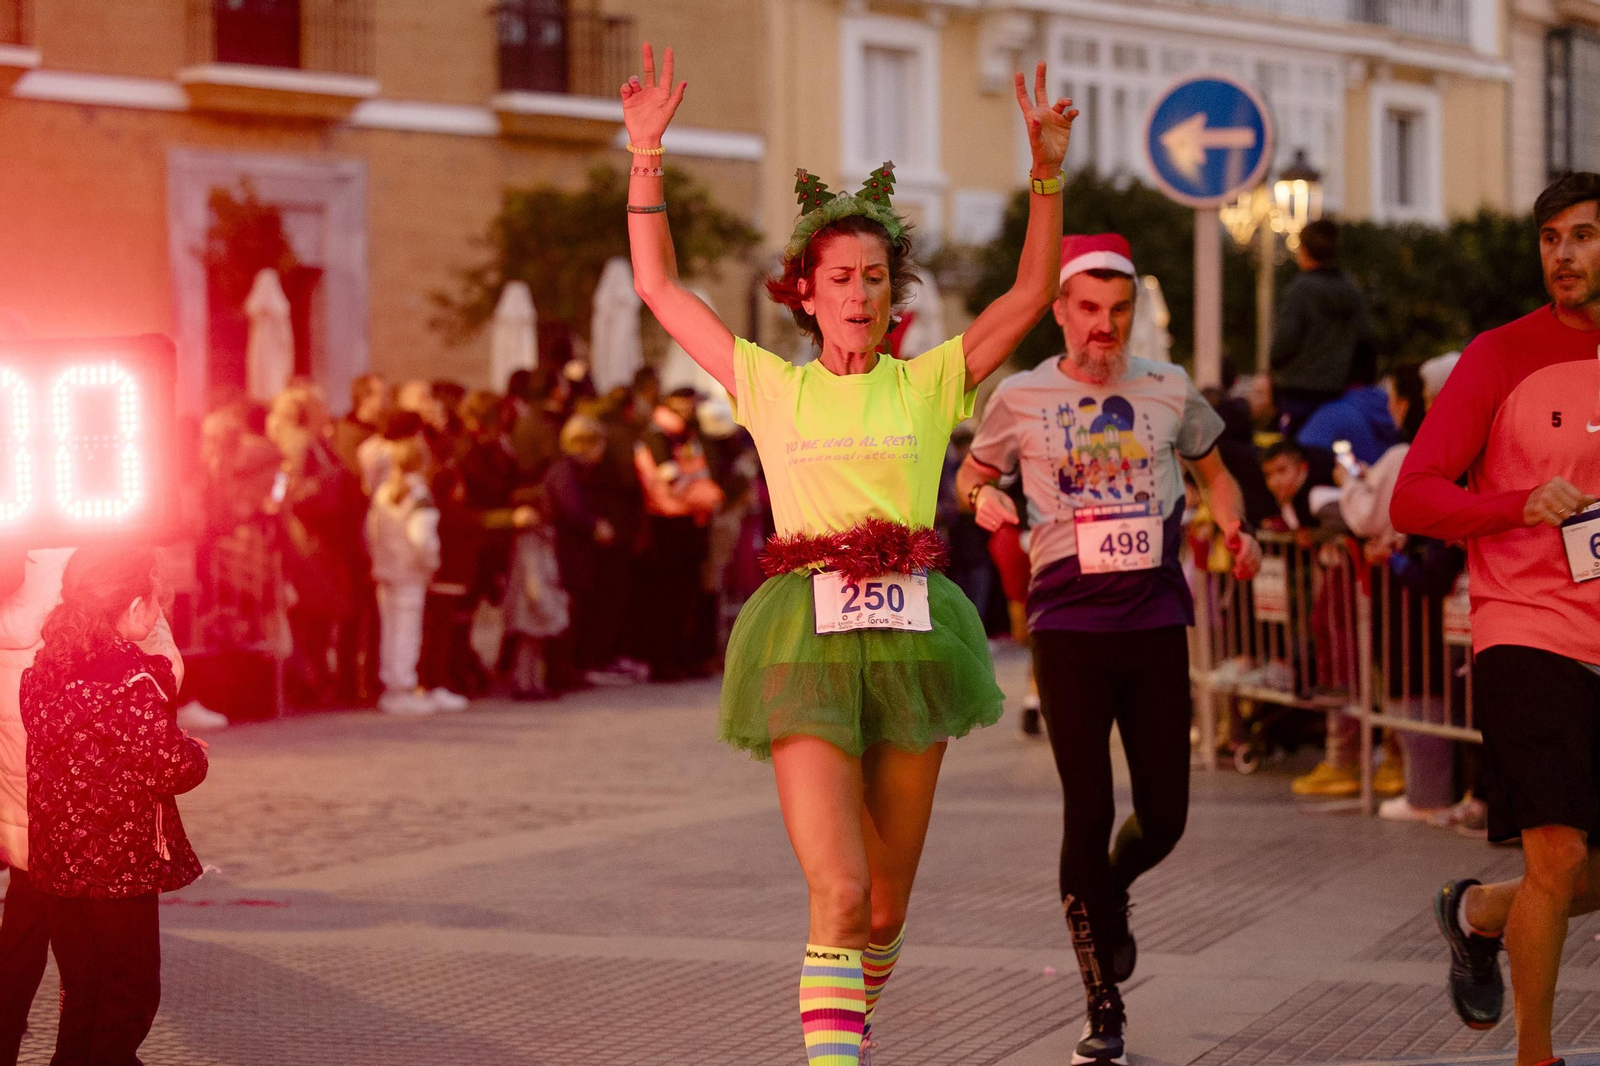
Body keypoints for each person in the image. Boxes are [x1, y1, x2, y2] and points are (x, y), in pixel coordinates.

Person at [622, 41, 1072, 1064]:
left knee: (881, 909)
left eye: (874, 277)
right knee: (838, 887)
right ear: (805, 291)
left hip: (917, 634)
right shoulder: (766, 384)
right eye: (840, 278)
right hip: (803, 637)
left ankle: (847, 1021)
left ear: (891, 291)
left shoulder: (930, 381)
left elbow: (1033, 290)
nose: (859, 295)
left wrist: (1044, 171)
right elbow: (657, 286)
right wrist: (644, 155)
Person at [956, 232, 1263, 1066]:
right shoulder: (1020, 395)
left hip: (1157, 624)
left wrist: (1236, 528)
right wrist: (984, 501)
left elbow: (1217, 472)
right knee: (1087, 810)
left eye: (1117, 311)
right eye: (1088, 310)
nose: (1103, 327)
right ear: (1060, 310)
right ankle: (1102, 998)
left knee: (1164, 816)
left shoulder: (1167, 389)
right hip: (1068, 628)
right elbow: (971, 475)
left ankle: (1115, 890)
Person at [1391, 171, 1600, 1066]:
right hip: (1528, 630)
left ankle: (1474, 912)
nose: (1563, 254)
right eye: (1552, 237)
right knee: (1555, 855)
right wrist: (1515, 505)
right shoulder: (1501, 354)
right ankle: (1536, 1057)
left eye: (1584, 236)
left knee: (1581, 869)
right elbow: (1414, 497)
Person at [19, 546, 208, 1066]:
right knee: (129, 996)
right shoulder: (131, 680)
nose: (156, 616)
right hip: (118, 867)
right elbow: (170, 766)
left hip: (59, 865)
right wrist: (191, 749)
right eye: (155, 604)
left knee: (82, 993)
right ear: (131, 606)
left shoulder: (44, 671)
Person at [633, 386, 723, 681]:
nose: (691, 410)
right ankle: (665, 661)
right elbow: (668, 479)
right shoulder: (659, 435)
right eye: (685, 405)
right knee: (668, 597)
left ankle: (682, 657)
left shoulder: (685, 434)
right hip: (668, 523)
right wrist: (707, 495)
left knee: (687, 595)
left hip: (689, 520)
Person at [366, 437, 452, 717]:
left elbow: (370, 532)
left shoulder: (382, 492)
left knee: (390, 630)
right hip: (409, 572)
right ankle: (403, 686)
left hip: (386, 570)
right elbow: (422, 537)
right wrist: (431, 563)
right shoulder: (419, 494)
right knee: (407, 631)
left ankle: (391, 686)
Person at [1269, 219, 1378, 436]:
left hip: (1298, 393)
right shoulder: (1351, 291)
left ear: (1304, 250)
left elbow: (1286, 341)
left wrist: (1274, 363)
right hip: (1340, 391)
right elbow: (1366, 339)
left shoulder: (1300, 290)